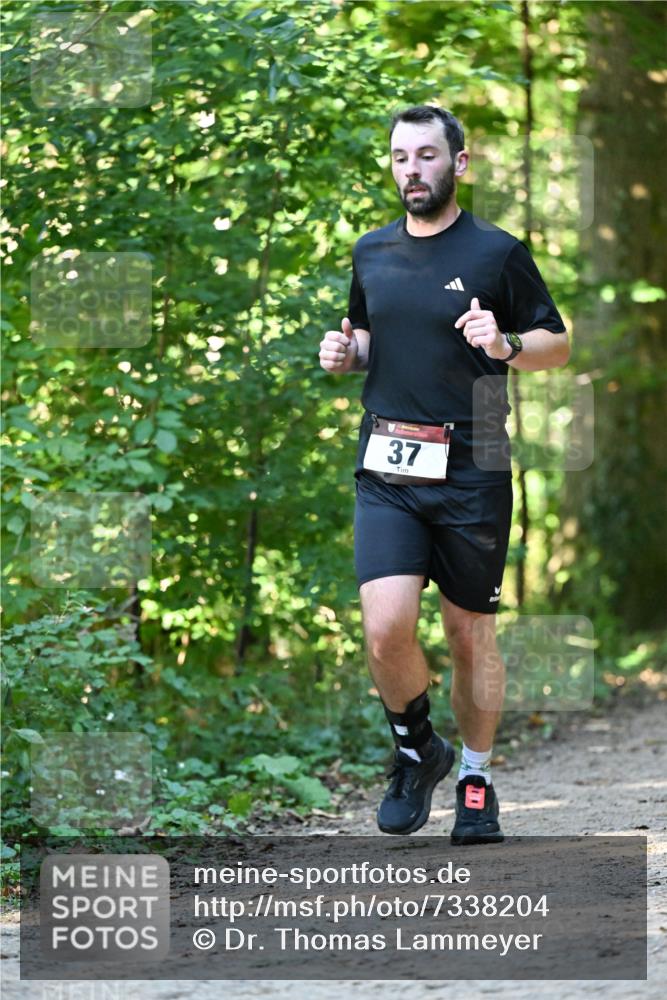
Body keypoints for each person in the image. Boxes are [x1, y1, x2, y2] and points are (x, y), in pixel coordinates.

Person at [318, 105, 568, 844]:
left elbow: (555, 343)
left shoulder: (497, 251)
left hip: (475, 455)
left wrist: (508, 342)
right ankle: (413, 747)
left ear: (458, 164)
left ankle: (476, 778)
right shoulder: (371, 252)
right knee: (385, 625)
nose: (411, 170)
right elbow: (372, 335)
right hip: (388, 457)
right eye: (399, 157)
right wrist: (347, 354)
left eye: (426, 156)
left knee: (468, 634)